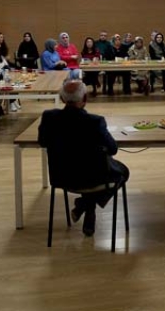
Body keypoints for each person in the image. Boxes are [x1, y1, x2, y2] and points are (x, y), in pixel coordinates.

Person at [37, 80, 130, 237]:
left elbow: (43, 142)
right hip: (93, 178)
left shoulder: (49, 117)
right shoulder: (95, 122)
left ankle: (85, 207)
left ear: (62, 98)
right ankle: (86, 206)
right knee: (123, 172)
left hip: (62, 176)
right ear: (85, 98)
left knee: (87, 170)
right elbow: (113, 149)